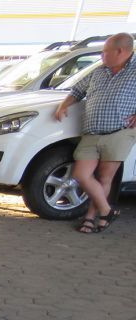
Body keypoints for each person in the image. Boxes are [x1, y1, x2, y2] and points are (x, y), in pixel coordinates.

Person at [55, 32, 136, 233]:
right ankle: (107, 211)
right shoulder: (99, 71)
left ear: (120, 51)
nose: (101, 55)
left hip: (120, 131)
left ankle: (91, 218)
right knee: (81, 174)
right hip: (92, 132)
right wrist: (63, 106)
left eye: (105, 51)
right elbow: (76, 91)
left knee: (104, 179)